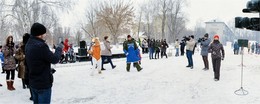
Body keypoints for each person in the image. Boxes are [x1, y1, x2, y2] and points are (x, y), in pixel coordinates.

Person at [25, 23, 63, 104]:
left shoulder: (28, 44)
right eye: (44, 33)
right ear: (40, 34)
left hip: (33, 82)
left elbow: (37, 60)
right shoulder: (41, 46)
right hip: (42, 83)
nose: (45, 35)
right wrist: (59, 48)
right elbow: (55, 59)